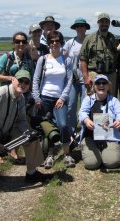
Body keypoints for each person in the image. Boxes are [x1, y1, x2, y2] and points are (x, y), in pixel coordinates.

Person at [32, 30, 75, 168]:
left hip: (59, 99)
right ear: (49, 43)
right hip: (44, 98)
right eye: (52, 41)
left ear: (61, 42)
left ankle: (67, 154)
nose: (54, 43)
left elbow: (69, 80)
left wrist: (63, 97)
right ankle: (50, 156)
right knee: (48, 128)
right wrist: (37, 98)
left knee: (63, 125)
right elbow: (36, 79)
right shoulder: (43, 59)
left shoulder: (67, 60)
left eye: (57, 41)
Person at [0, 32, 34, 164]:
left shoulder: (28, 58)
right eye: (17, 41)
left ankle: (14, 151)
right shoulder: (7, 57)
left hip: (23, 97)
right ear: (13, 43)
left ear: (26, 43)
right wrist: (10, 78)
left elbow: (31, 76)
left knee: (20, 123)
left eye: (23, 41)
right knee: (4, 123)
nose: (20, 44)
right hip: (8, 96)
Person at [78, 75, 120, 170]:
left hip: (110, 137)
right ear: (94, 86)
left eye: (104, 83)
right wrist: (86, 120)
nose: (101, 85)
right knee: (92, 164)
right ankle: (91, 150)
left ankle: (109, 151)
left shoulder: (114, 101)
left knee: (111, 163)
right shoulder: (88, 99)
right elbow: (82, 112)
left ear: (108, 86)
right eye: (98, 83)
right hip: (90, 137)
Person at [80, 12, 120, 95]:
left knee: (110, 101)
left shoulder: (114, 38)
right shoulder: (89, 38)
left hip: (111, 74)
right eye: (102, 21)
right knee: (92, 100)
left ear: (109, 23)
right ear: (98, 23)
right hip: (94, 73)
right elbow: (83, 59)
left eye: (106, 22)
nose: (104, 24)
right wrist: (85, 77)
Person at [63, 17, 90, 140]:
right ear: (75, 28)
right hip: (72, 80)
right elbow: (63, 58)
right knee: (71, 105)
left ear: (85, 28)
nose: (80, 28)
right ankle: (71, 131)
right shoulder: (70, 43)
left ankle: (85, 130)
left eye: (82, 26)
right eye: (78, 26)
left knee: (85, 106)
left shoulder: (90, 41)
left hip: (86, 80)